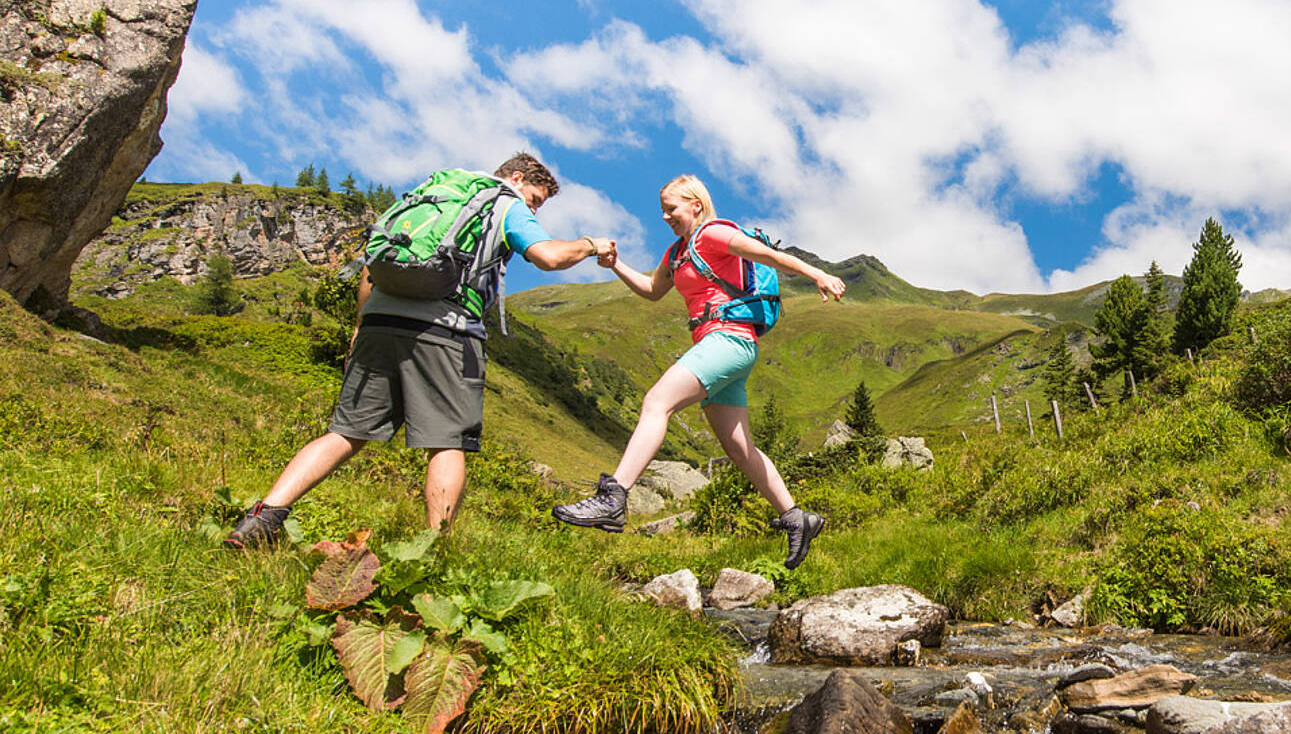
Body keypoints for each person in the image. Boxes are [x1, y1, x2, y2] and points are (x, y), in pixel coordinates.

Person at [226, 152, 614, 548]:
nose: (533, 208)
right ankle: (432, 551)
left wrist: (361, 325)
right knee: (447, 442)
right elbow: (548, 256)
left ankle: (262, 517)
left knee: (344, 433)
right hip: (444, 329)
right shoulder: (504, 203)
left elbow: (370, 265)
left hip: (380, 320)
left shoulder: (429, 195)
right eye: (535, 198)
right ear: (516, 178)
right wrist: (590, 244)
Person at [552, 174, 846, 569]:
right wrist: (615, 263)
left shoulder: (713, 233)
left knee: (657, 402)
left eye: (671, 208)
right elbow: (652, 290)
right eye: (662, 210)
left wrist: (817, 275)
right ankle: (797, 517)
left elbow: (767, 255)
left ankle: (614, 497)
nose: (665, 216)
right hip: (721, 347)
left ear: (695, 204)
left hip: (729, 340)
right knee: (739, 448)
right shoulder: (678, 253)